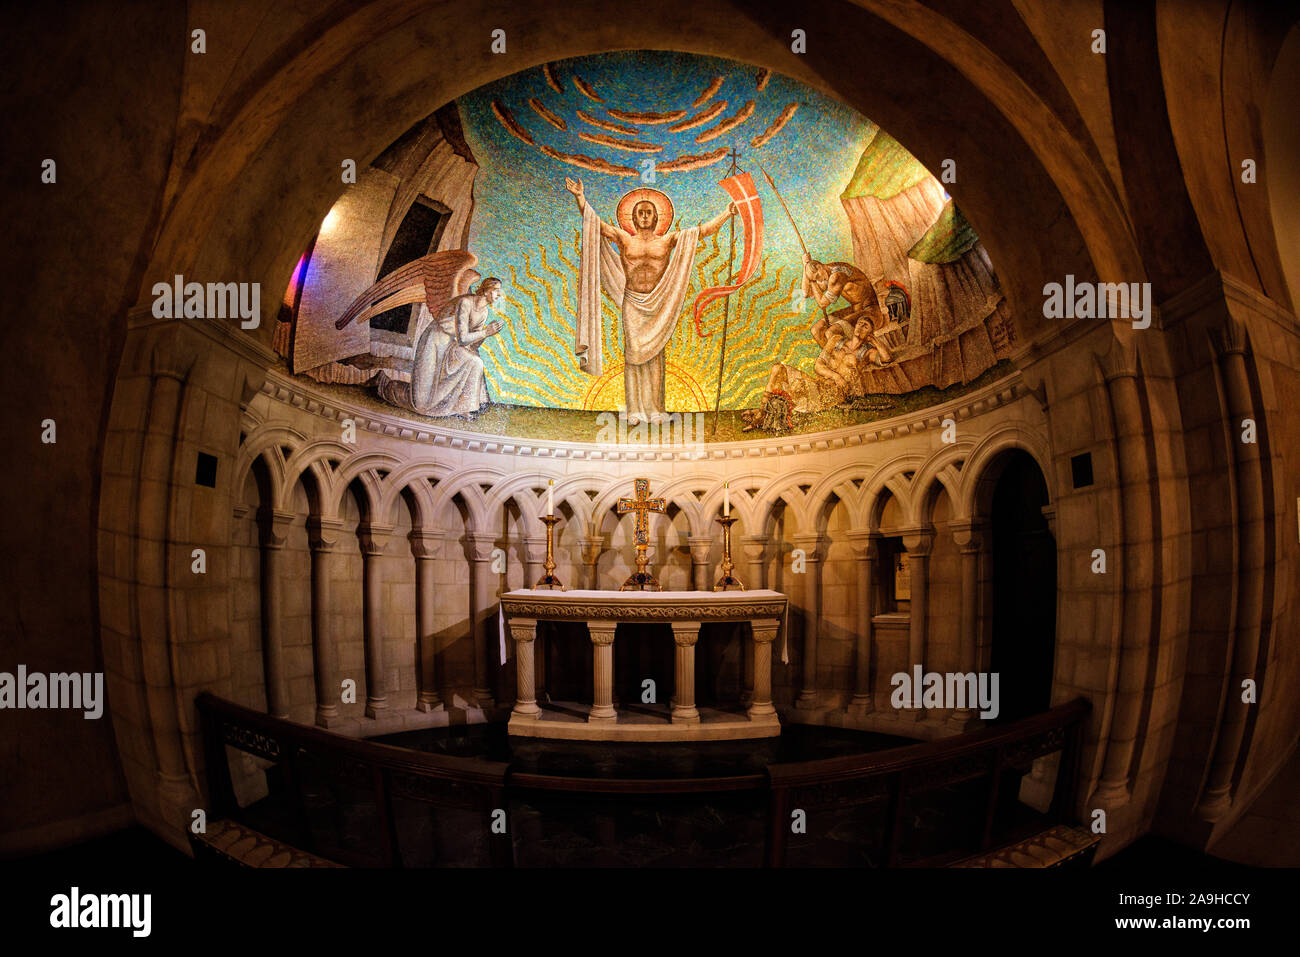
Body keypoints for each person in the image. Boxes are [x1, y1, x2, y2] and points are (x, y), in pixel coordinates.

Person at [568, 177, 735, 426]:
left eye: (649, 212)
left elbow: (701, 232)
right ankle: (634, 409)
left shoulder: (666, 241)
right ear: (633, 218)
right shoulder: (625, 238)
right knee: (633, 355)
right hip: (633, 302)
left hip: (658, 303)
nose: (645, 216)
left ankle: (656, 409)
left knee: (656, 355)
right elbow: (596, 225)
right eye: (640, 213)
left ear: (656, 217)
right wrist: (580, 197)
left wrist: (726, 213)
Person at [377, 278, 504, 416]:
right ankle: (383, 383)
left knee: (475, 362)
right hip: (434, 343)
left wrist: (486, 334)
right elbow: (463, 339)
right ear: (486, 291)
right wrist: (485, 332)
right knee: (420, 404)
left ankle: (462, 406)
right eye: (496, 290)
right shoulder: (466, 302)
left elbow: (472, 344)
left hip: (451, 348)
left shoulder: (484, 313)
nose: (499, 294)